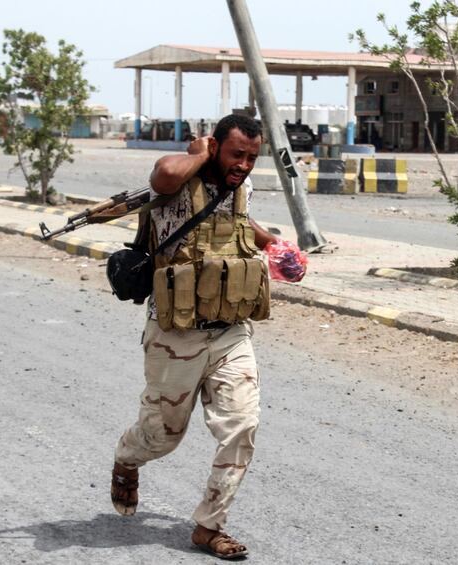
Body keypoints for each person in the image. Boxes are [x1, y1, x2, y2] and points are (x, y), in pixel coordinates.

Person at [111, 114, 290, 560]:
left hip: (230, 332)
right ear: (215, 147)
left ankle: (209, 527)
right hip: (176, 335)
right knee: (163, 437)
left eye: (252, 157)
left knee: (242, 426)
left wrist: (276, 246)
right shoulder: (176, 181)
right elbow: (165, 174)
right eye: (236, 155)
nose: (245, 165)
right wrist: (199, 153)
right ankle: (128, 458)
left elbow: (238, 223)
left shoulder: (240, 188)